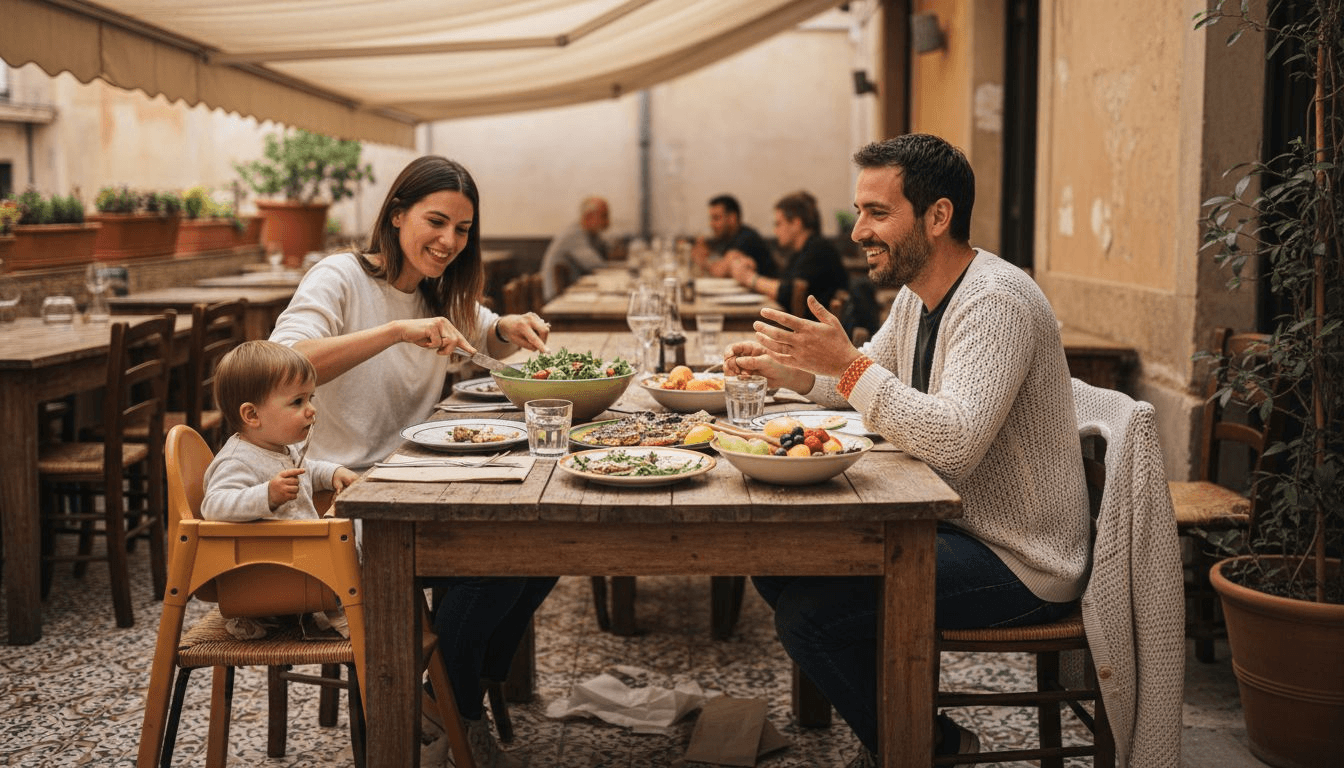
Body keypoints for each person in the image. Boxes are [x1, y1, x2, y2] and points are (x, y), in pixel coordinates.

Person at [725, 134, 1089, 767]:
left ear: (937, 215)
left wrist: (845, 367)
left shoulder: (996, 301)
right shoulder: (920, 297)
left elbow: (952, 443)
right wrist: (789, 372)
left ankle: (925, 746)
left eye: (877, 213)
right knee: (777, 560)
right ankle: (904, 725)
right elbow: (865, 378)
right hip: (953, 525)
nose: (859, 230)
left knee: (811, 615)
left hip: (1019, 554)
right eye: (859, 212)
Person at [269, 155, 554, 768]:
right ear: (396, 215)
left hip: (414, 483)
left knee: (544, 546)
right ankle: (449, 712)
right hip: (337, 497)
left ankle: (448, 702)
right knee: (494, 563)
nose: (450, 240)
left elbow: (484, 328)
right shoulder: (339, 277)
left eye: (464, 229)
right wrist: (396, 333)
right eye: (436, 221)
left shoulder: (436, 292)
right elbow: (282, 365)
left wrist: (509, 323)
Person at [200, 339, 360, 638]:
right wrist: (266, 496)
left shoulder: (279, 448)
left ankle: (335, 603)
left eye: (310, 398)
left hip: (293, 565)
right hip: (264, 575)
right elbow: (214, 505)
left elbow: (306, 470)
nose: (311, 410)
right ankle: (340, 611)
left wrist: (332, 472)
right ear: (252, 416)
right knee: (350, 548)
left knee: (354, 541)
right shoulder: (237, 459)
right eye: (298, 402)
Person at [727, 190, 848, 322]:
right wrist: (752, 269)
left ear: (796, 224)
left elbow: (788, 294)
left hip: (813, 333)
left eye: (778, 224)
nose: (775, 231)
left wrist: (749, 278)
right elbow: (782, 282)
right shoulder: (803, 250)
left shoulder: (819, 250)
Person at [540, 195, 613, 300]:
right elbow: (595, 265)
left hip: (567, 292)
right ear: (589, 216)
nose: (607, 221)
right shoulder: (575, 234)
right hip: (555, 297)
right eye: (604, 216)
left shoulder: (591, 234)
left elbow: (606, 251)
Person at [690, 194, 776, 279]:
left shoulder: (747, 238)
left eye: (716, 218)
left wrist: (702, 261)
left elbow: (720, 271)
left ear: (732, 218)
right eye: (711, 219)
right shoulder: (727, 237)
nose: (711, 224)